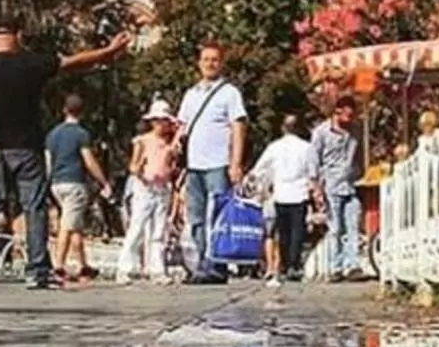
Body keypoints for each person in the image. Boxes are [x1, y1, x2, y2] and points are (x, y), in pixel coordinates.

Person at [0, 20, 131, 290]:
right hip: (27, 145)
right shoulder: (31, 63)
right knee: (34, 208)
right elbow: (73, 63)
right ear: (18, 36)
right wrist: (108, 52)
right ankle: (36, 270)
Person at [177, 43, 247, 282]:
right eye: (206, 59)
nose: (210, 64)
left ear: (221, 63)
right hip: (194, 165)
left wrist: (235, 162)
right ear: (199, 63)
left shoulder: (230, 93)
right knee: (195, 217)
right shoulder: (191, 94)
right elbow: (182, 126)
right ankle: (202, 263)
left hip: (218, 163)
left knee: (218, 216)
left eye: (215, 59)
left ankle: (216, 265)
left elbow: (238, 127)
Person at [45, 93, 112, 284]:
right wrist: (103, 181)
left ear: (64, 110)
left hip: (57, 184)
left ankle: (84, 265)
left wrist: (48, 184)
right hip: (74, 182)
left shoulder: (53, 134)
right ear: (82, 112)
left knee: (75, 226)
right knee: (67, 226)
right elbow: (88, 160)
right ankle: (58, 265)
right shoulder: (81, 134)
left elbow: (48, 161)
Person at [117, 99, 180, 282]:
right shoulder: (143, 141)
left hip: (162, 187)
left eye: (164, 121)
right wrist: (142, 174)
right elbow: (134, 166)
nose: (161, 124)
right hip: (145, 187)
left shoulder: (170, 145)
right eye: (157, 120)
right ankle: (125, 267)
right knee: (137, 226)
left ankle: (156, 268)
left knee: (160, 229)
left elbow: (171, 166)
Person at [250, 112, 316, 287]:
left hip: (281, 193)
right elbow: (313, 172)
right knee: (297, 231)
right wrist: (314, 189)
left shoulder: (274, 147)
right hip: (299, 193)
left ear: (282, 128)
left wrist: (261, 185)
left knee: (283, 232)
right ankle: (294, 265)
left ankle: (285, 265)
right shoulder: (307, 147)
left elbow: (260, 168)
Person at [311, 95, 364, 280]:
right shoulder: (321, 132)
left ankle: (353, 265)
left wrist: (359, 171)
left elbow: (359, 154)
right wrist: (316, 187)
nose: (349, 120)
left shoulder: (356, 130)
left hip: (350, 184)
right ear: (337, 112)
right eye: (347, 116)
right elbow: (314, 160)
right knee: (335, 228)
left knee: (353, 224)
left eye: (352, 116)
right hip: (330, 185)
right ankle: (336, 267)